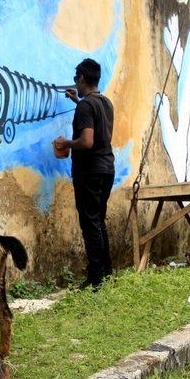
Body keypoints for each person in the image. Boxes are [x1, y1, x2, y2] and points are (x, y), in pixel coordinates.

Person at [53, 58, 115, 290]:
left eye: (75, 80)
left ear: (81, 79)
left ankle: (95, 278)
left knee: (90, 224)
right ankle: (106, 273)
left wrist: (65, 142)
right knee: (98, 221)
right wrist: (77, 100)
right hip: (107, 168)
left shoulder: (86, 106)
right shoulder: (104, 102)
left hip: (89, 171)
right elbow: (96, 127)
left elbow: (87, 141)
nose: (75, 83)